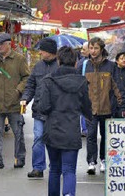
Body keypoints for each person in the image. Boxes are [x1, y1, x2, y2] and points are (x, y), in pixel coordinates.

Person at [36, 46, 93, 196]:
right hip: (71, 131)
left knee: (54, 169)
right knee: (69, 169)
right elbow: (87, 107)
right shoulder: (81, 82)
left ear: (59, 61)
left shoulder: (48, 80)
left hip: (52, 131)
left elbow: (43, 107)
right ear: (75, 62)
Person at [77, 37, 125, 175]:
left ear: (102, 49)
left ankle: (104, 159)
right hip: (90, 108)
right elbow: (79, 86)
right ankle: (91, 162)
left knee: (105, 136)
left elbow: (117, 87)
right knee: (91, 136)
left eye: (96, 48)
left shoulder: (111, 66)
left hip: (107, 107)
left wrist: (122, 106)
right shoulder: (84, 65)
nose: (93, 51)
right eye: (91, 48)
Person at [0, 33, 30, 169]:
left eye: (1, 44)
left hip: (14, 103)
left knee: (18, 132)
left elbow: (27, 77)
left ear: (9, 44)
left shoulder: (19, 59)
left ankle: (19, 158)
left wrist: (18, 91)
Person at [22, 38, 58, 178]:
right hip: (39, 109)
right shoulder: (38, 66)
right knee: (38, 138)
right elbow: (30, 85)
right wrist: (25, 99)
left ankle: (55, 166)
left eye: (42, 50)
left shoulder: (60, 67)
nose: (40, 52)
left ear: (50, 51)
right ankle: (38, 167)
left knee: (54, 140)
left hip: (55, 111)